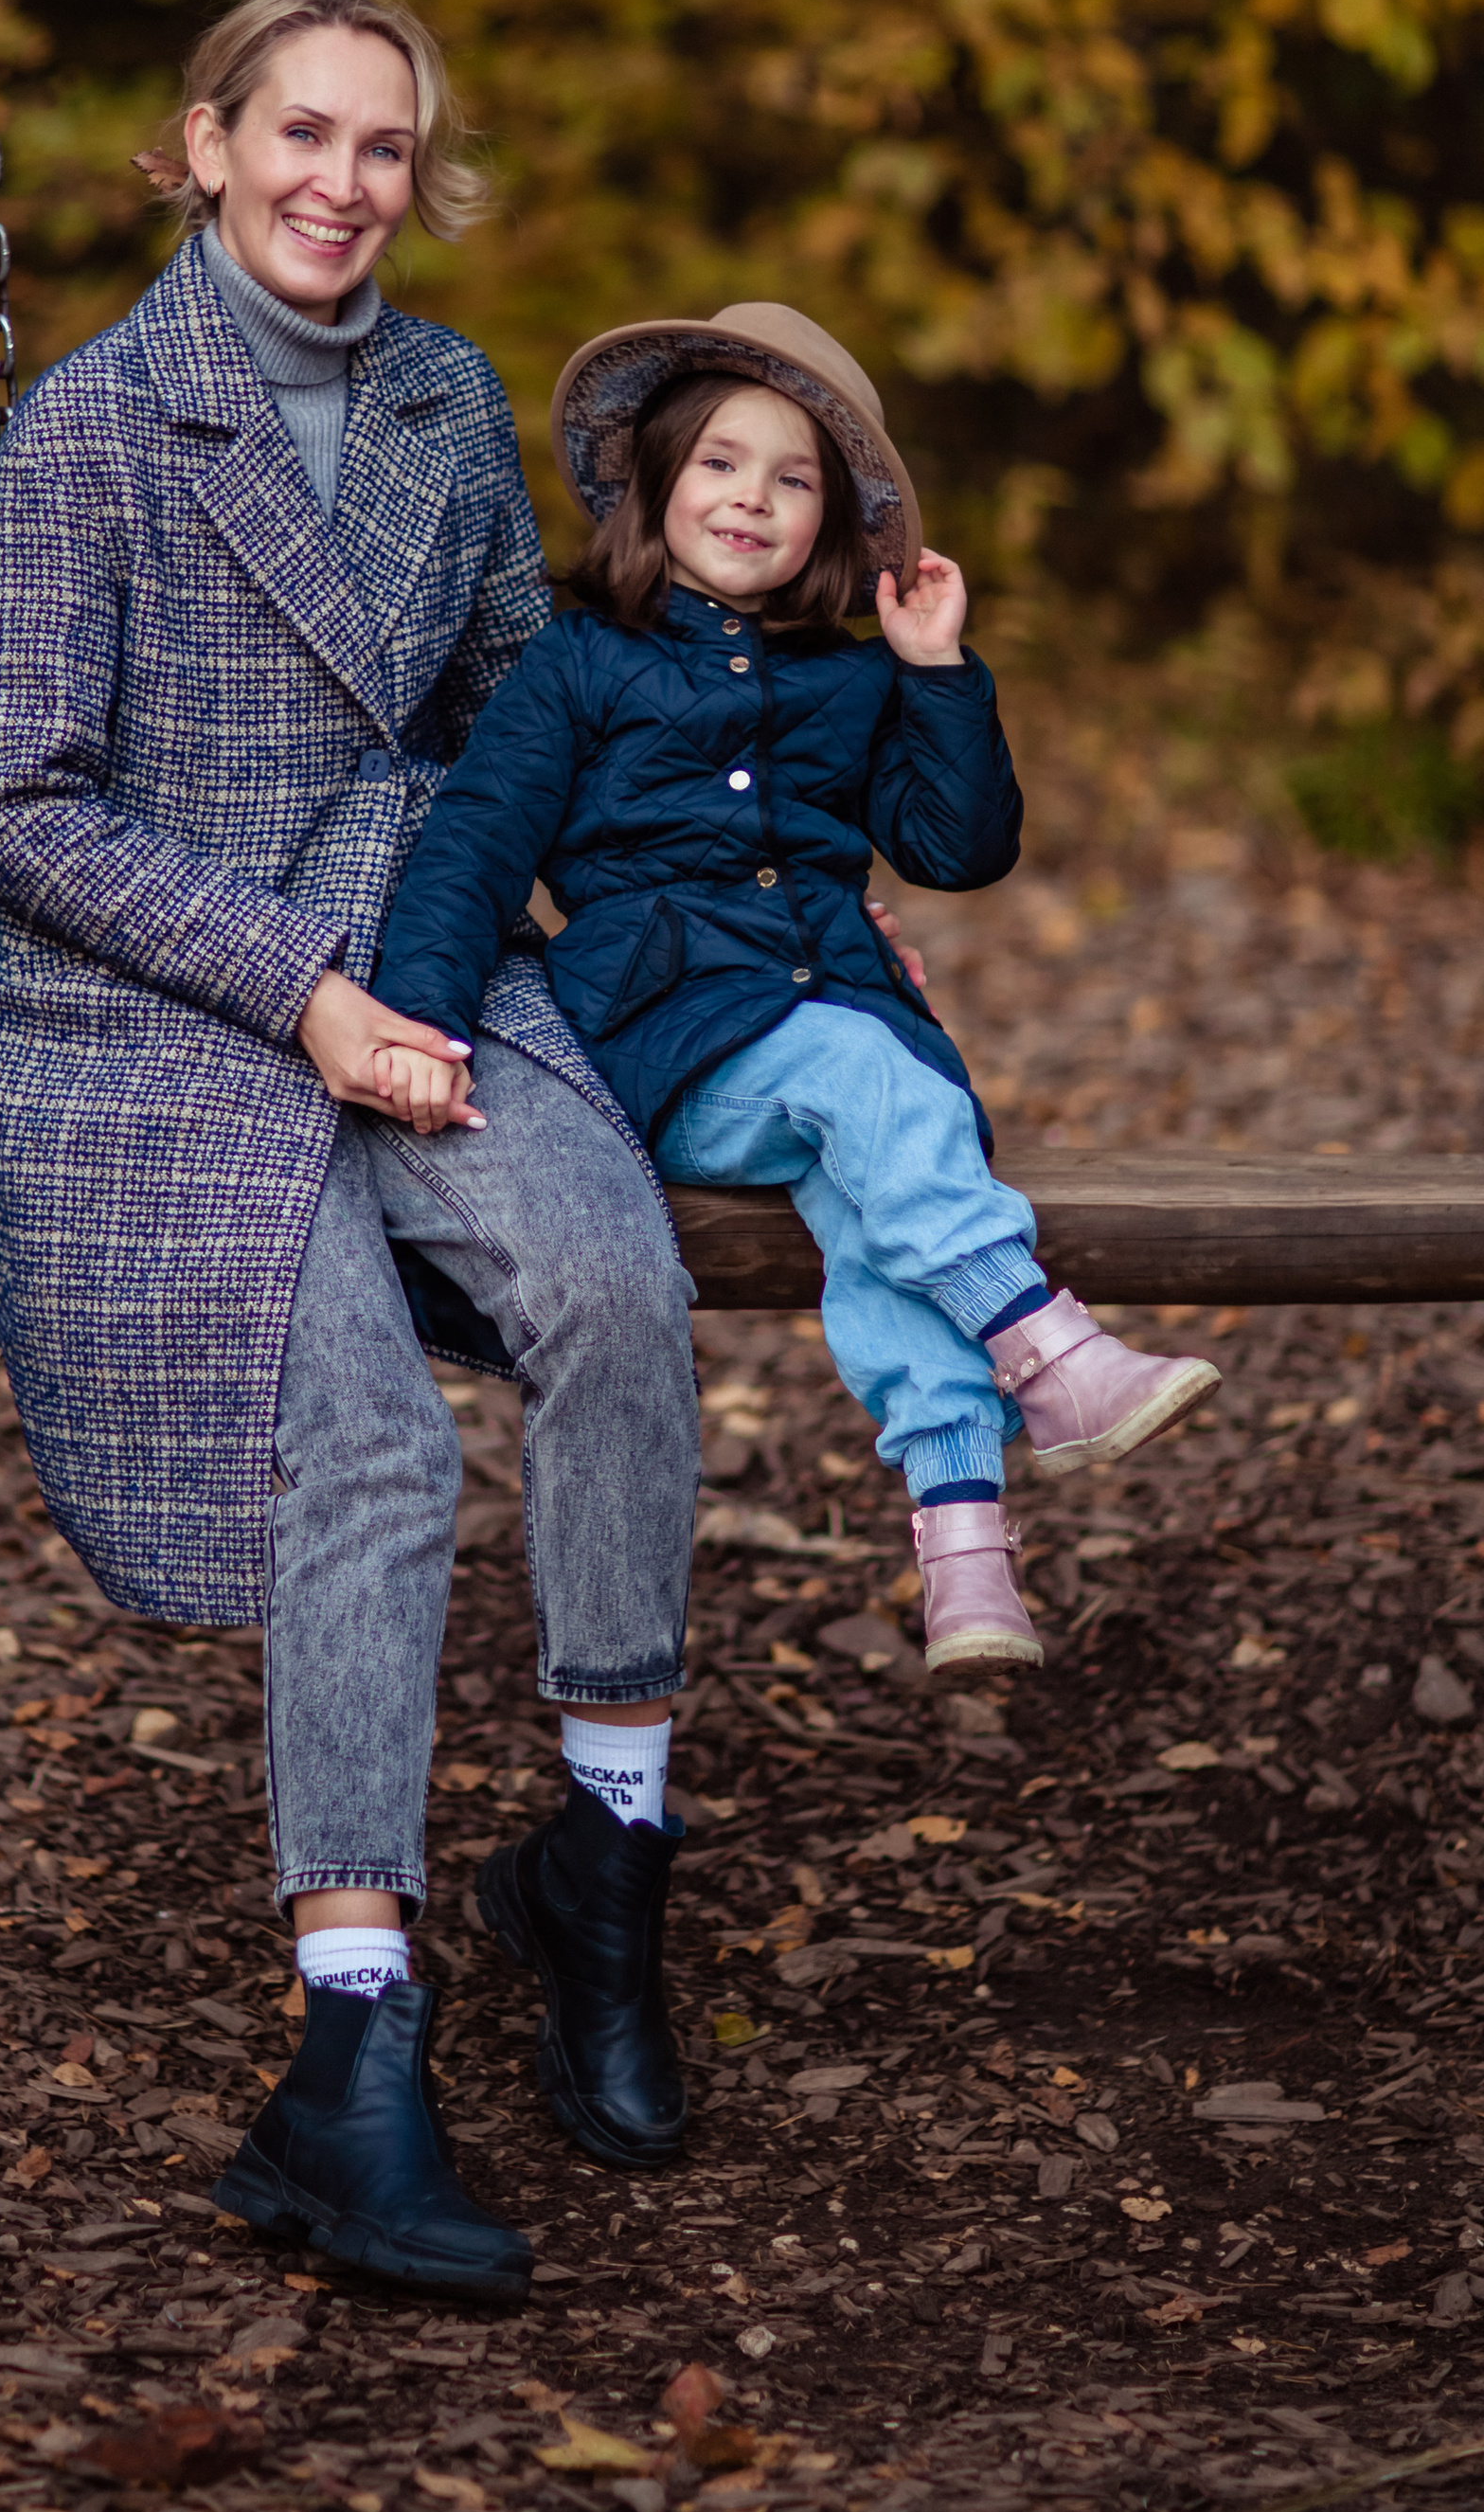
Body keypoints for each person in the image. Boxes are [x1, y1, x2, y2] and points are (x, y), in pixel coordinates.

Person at [0, 0, 706, 2308]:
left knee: (616, 1284)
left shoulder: (449, 397)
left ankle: (597, 1865)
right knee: (366, 1447)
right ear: (201, 146)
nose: (338, 183)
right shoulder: (91, 426)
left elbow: (504, 701)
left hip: (429, 946)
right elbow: (20, 802)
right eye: (297, 132)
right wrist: (298, 996)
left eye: (383, 147)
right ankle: (347, 2061)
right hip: (172, 1004)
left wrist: (712, 838)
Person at [371, 301, 1220, 1673]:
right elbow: (474, 849)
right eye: (718, 462)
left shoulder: (853, 674)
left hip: (835, 1047)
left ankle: (965, 1548)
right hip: (671, 1041)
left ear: (830, 520)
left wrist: (937, 672)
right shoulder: (581, 662)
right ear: (655, 480)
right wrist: (420, 1024)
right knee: (867, 1082)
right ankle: (1046, 1348)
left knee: (872, 1182)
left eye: (792, 477)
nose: (750, 499)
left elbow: (959, 845)